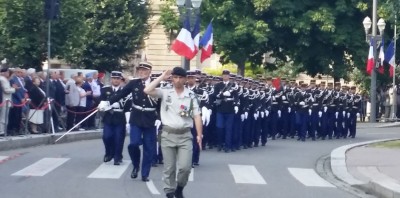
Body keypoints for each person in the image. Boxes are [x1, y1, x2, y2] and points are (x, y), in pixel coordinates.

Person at [143, 67, 203, 198]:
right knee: (169, 168)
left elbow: (197, 116)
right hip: (168, 135)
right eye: (175, 77)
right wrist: (161, 77)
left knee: (185, 168)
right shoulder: (165, 92)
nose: (178, 80)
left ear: (186, 79)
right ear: (171, 78)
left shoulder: (191, 96)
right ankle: (169, 192)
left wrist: (199, 135)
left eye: (181, 78)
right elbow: (147, 90)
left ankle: (180, 187)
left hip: (185, 135)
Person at [98, 62, 161, 181]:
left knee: (149, 148)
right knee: (133, 144)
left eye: (143, 70)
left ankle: (145, 173)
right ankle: (136, 165)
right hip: (136, 117)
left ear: (149, 71)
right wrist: (107, 102)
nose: (141, 72)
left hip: (150, 118)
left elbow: (161, 103)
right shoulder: (134, 83)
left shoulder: (157, 84)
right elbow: (121, 94)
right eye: (139, 70)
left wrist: (159, 118)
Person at [99, 71, 126, 165]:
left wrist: (119, 104)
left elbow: (127, 105)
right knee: (106, 137)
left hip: (120, 117)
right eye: (114, 78)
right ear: (111, 79)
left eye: (118, 79)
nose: (115, 80)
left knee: (118, 138)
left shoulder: (124, 90)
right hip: (108, 116)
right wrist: (104, 106)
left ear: (120, 80)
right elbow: (101, 101)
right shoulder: (105, 89)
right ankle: (108, 153)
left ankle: (117, 157)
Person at [0, 68, 16, 136]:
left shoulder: (5, 79)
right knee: (3, 117)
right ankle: (1, 131)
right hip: (4, 100)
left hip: (7, 100)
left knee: (5, 117)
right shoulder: (2, 79)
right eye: (7, 72)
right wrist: (14, 89)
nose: (8, 73)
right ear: (3, 72)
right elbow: (6, 90)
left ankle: (3, 130)